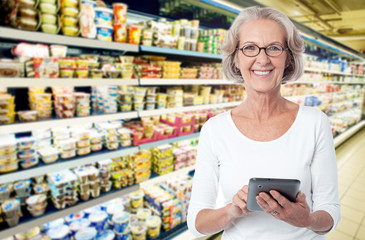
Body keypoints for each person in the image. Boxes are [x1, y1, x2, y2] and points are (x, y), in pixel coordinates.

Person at [187, 6, 340, 240]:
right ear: (236, 58)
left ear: (288, 58)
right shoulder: (214, 129)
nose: (262, 59)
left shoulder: (315, 123)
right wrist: (232, 211)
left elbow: (330, 211)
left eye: (274, 48)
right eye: (249, 48)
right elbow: (196, 224)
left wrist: (306, 220)